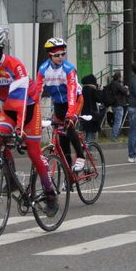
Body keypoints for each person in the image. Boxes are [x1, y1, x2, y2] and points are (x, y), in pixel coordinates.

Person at [0, 28, 59, 216]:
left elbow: (21, 99)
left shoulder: (15, 66)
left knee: (34, 153)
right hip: (8, 110)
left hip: (29, 109)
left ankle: (50, 194)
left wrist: (19, 128)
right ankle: (11, 179)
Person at [35, 38, 86, 173]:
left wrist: (70, 115)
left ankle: (81, 157)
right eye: (57, 55)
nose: (60, 57)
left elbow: (71, 93)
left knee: (68, 127)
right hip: (58, 103)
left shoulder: (69, 69)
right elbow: (36, 95)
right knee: (62, 138)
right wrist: (34, 115)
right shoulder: (43, 70)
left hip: (74, 99)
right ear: (50, 56)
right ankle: (68, 173)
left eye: (63, 54)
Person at [80, 74, 103, 143]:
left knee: (87, 132)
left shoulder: (83, 90)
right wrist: (99, 90)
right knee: (91, 134)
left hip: (84, 113)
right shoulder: (92, 90)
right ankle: (88, 151)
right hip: (92, 114)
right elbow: (99, 99)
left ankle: (86, 148)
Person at [107, 71, 129, 141]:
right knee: (118, 122)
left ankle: (114, 136)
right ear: (119, 77)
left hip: (113, 104)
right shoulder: (117, 84)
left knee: (116, 121)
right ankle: (114, 137)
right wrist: (126, 88)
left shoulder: (111, 84)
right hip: (118, 104)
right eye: (121, 77)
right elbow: (125, 92)